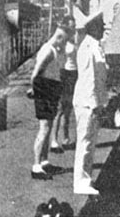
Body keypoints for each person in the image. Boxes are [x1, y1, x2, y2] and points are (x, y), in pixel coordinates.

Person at [73, 10, 108, 195]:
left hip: (92, 101)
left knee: (90, 142)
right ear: (93, 27)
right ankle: (80, 183)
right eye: (101, 25)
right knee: (85, 142)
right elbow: (90, 78)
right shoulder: (87, 47)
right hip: (87, 102)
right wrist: (95, 105)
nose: (104, 27)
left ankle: (85, 179)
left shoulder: (95, 45)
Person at [29, 23, 69, 180]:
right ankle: (36, 166)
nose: (64, 44)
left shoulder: (52, 50)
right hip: (45, 89)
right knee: (44, 128)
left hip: (51, 88)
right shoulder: (48, 51)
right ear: (58, 37)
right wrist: (34, 90)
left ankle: (44, 162)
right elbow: (36, 72)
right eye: (64, 41)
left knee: (49, 125)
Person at [50, 16, 77, 152]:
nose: (73, 28)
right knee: (60, 109)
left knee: (68, 109)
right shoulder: (63, 41)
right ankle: (54, 141)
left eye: (74, 25)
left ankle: (66, 139)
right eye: (71, 26)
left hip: (74, 75)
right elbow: (57, 58)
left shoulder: (76, 39)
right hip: (64, 74)